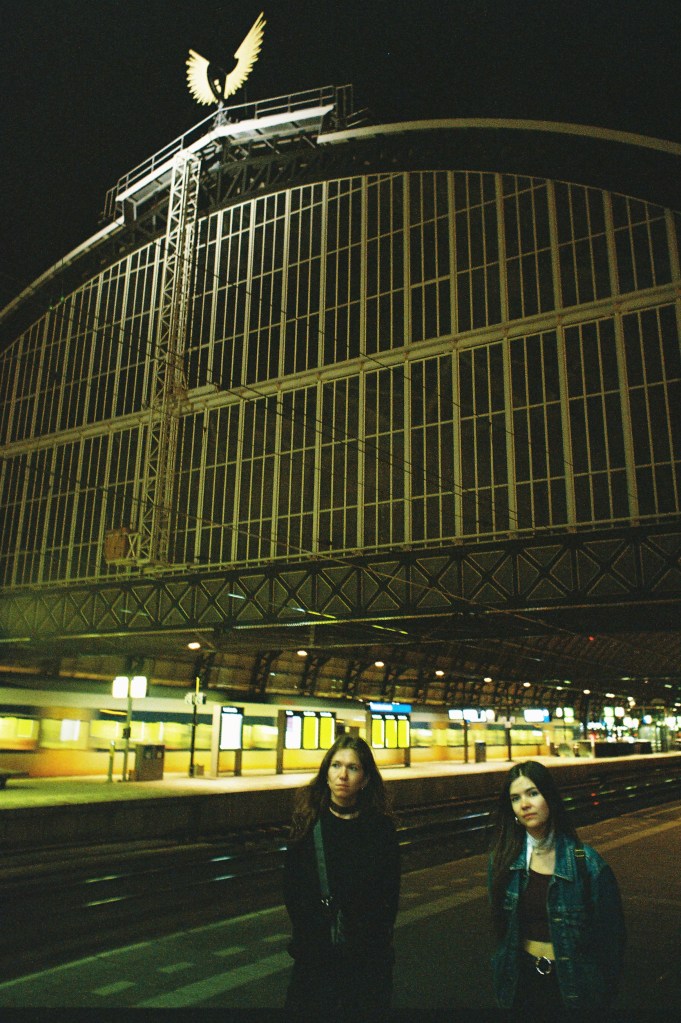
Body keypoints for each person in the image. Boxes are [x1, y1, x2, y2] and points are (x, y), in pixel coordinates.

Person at [488, 760, 626, 1020]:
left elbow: (612, 940)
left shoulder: (587, 864)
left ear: (549, 796)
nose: (524, 804)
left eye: (532, 793)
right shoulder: (503, 862)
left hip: (574, 986)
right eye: (515, 798)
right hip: (521, 983)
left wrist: (603, 994)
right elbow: (501, 929)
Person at [283, 734, 400, 1019]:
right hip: (316, 956)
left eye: (353, 768)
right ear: (325, 773)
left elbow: (390, 895)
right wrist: (310, 935)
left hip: (365, 958)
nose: (342, 775)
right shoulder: (308, 825)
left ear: (366, 779)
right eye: (336, 765)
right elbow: (292, 889)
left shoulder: (381, 830)